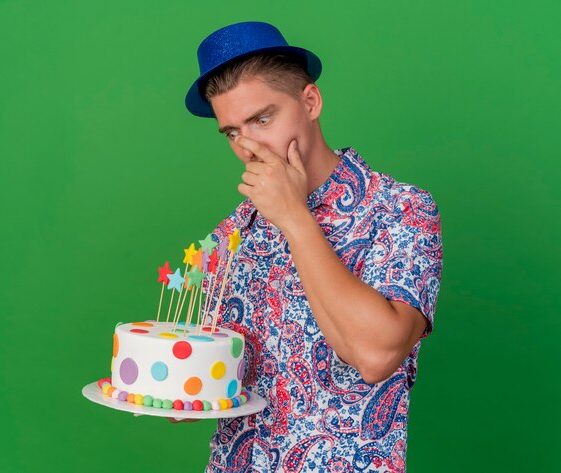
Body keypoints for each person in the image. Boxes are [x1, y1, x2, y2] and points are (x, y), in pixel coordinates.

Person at [183, 21, 443, 472]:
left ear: (310, 101)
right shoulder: (229, 237)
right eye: (232, 132)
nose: (248, 145)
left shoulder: (401, 211)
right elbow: (212, 379)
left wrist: (294, 218)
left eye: (263, 119)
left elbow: (376, 356)